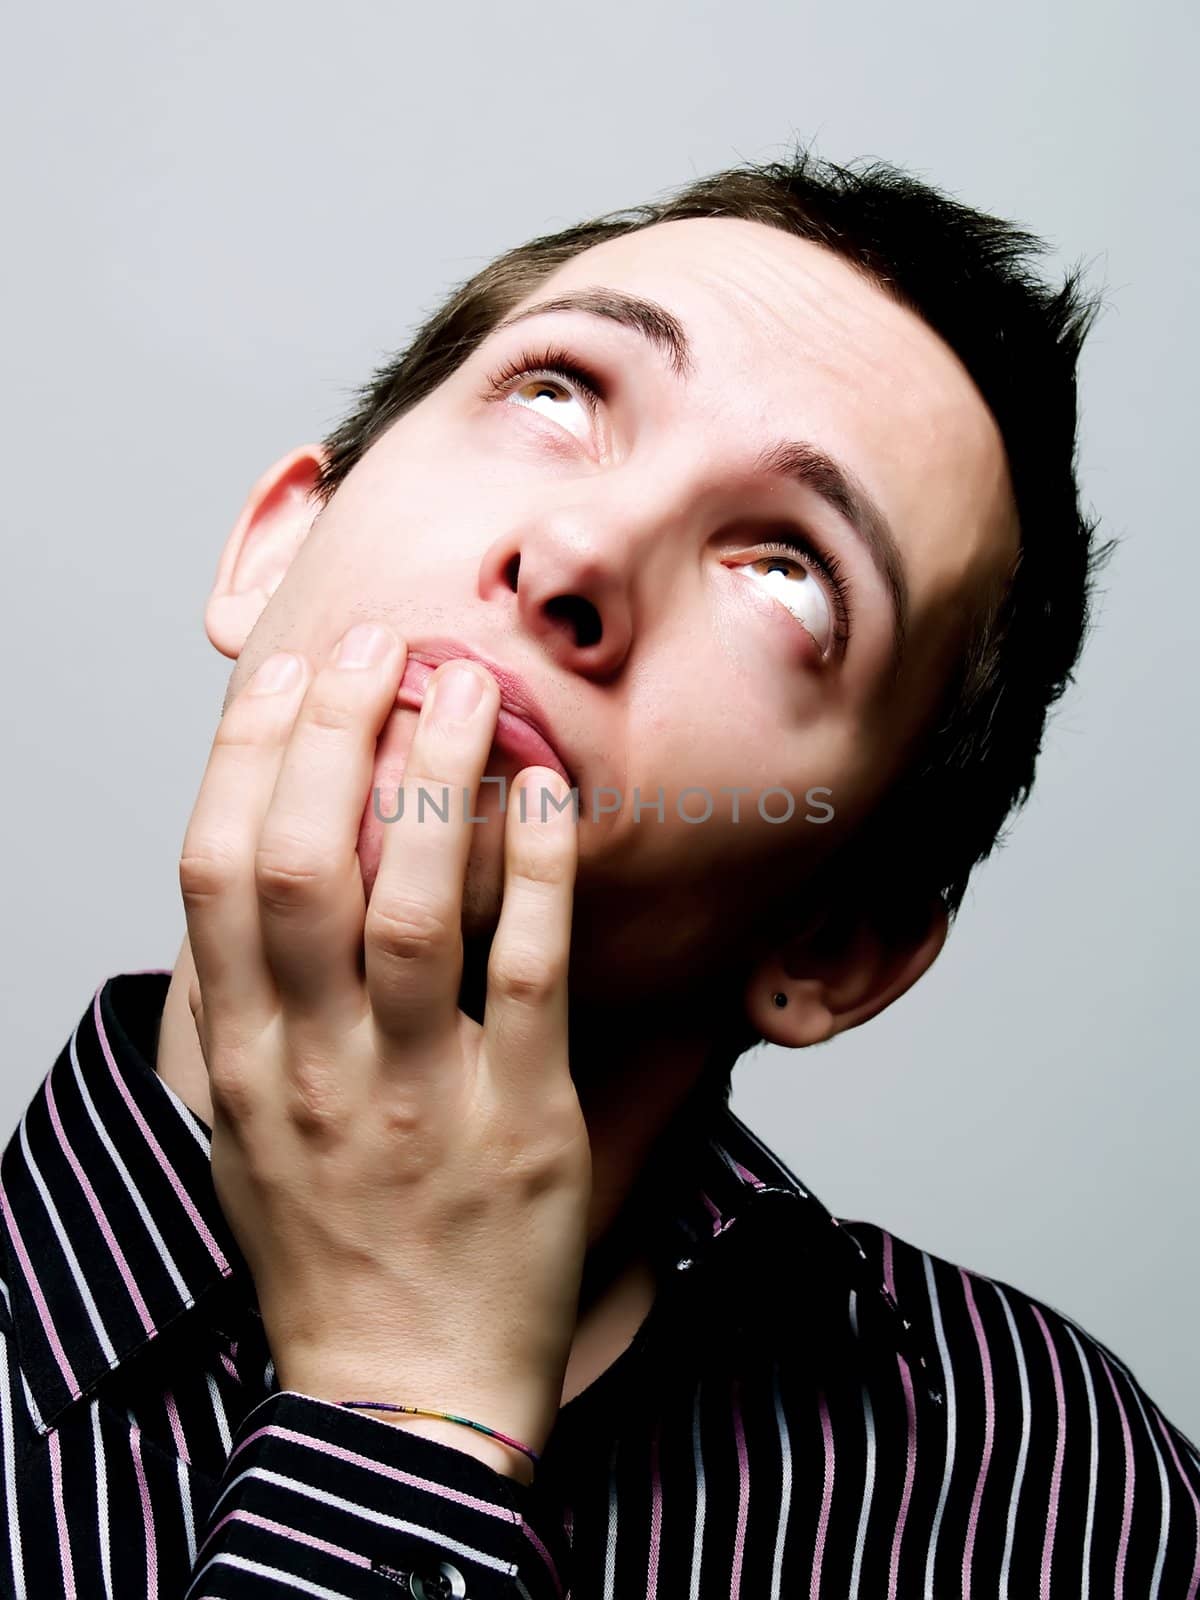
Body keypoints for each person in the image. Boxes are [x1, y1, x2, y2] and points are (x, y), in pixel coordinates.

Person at [2, 144, 1197, 1599]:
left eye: (790, 572)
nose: (581, 553)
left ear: (836, 942)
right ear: (275, 548)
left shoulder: (1058, 1494)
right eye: (558, 394)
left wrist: (404, 1394)